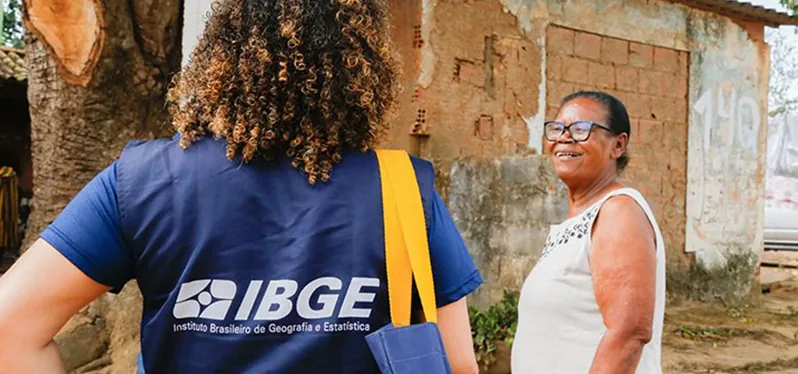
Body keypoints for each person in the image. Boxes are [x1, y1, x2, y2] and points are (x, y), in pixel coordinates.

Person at [0, 1, 482, 373]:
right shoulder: (403, 191)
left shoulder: (143, 182)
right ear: (363, 67)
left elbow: (10, 328)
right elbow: (458, 363)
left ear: (221, 54)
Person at [511, 91, 665, 373]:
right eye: (557, 128)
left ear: (617, 145)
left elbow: (629, 335)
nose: (564, 138)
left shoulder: (618, 211)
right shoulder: (581, 218)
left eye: (581, 129)